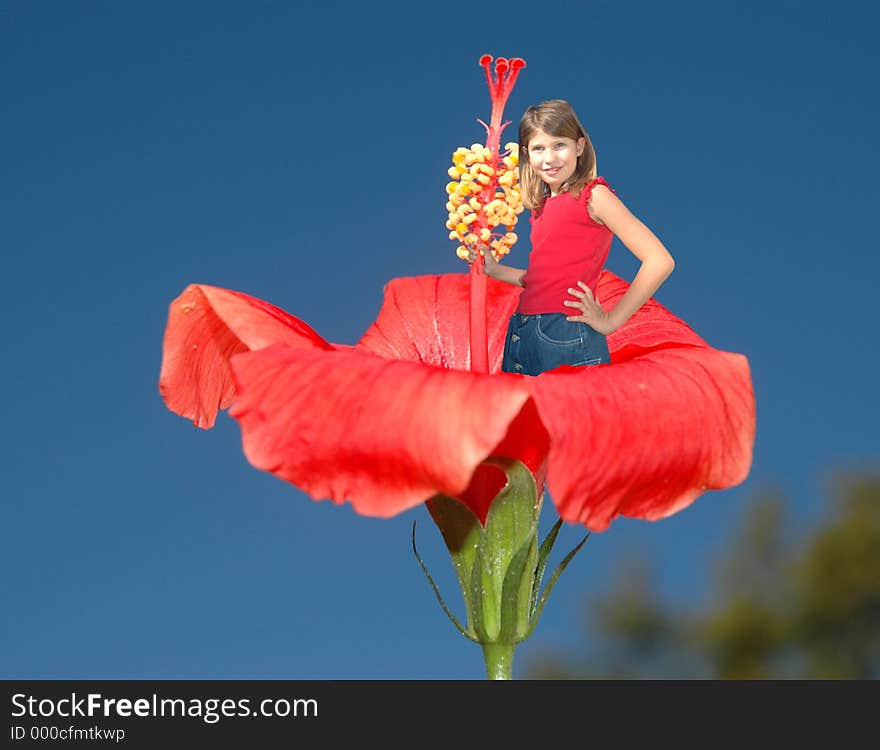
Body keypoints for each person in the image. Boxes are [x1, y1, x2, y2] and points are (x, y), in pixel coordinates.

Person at [466, 99, 675, 376]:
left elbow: (659, 260)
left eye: (559, 145)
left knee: (576, 420)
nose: (549, 158)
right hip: (522, 332)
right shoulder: (541, 206)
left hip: (567, 334)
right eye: (539, 149)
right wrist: (494, 269)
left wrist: (611, 320)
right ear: (527, 155)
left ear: (579, 146)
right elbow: (545, 280)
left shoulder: (594, 196)